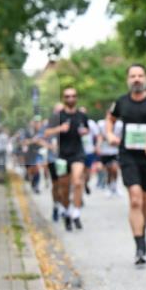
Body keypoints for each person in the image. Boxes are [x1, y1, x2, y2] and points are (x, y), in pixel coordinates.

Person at [107, 64, 146, 264]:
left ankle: (143, 231)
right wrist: (109, 134)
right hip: (128, 155)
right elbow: (110, 118)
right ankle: (139, 245)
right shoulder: (122, 102)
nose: (137, 79)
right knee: (135, 199)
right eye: (133, 76)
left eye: (140, 75)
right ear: (128, 80)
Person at [44, 88, 91, 231]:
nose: (70, 98)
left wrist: (84, 132)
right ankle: (67, 210)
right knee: (63, 188)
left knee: (77, 182)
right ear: (63, 98)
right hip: (62, 155)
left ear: (76, 98)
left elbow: (87, 129)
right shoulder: (57, 116)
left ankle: (76, 213)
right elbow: (46, 133)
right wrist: (59, 129)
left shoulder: (82, 115)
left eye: (73, 96)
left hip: (78, 153)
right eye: (67, 96)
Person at [97, 117, 121, 195]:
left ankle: (114, 185)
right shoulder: (101, 124)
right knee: (108, 170)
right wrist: (98, 146)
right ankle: (109, 186)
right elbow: (99, 136)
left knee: (114, 168)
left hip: (115, 151)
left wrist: (116, 141)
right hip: (105, 151)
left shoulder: (120, 125)